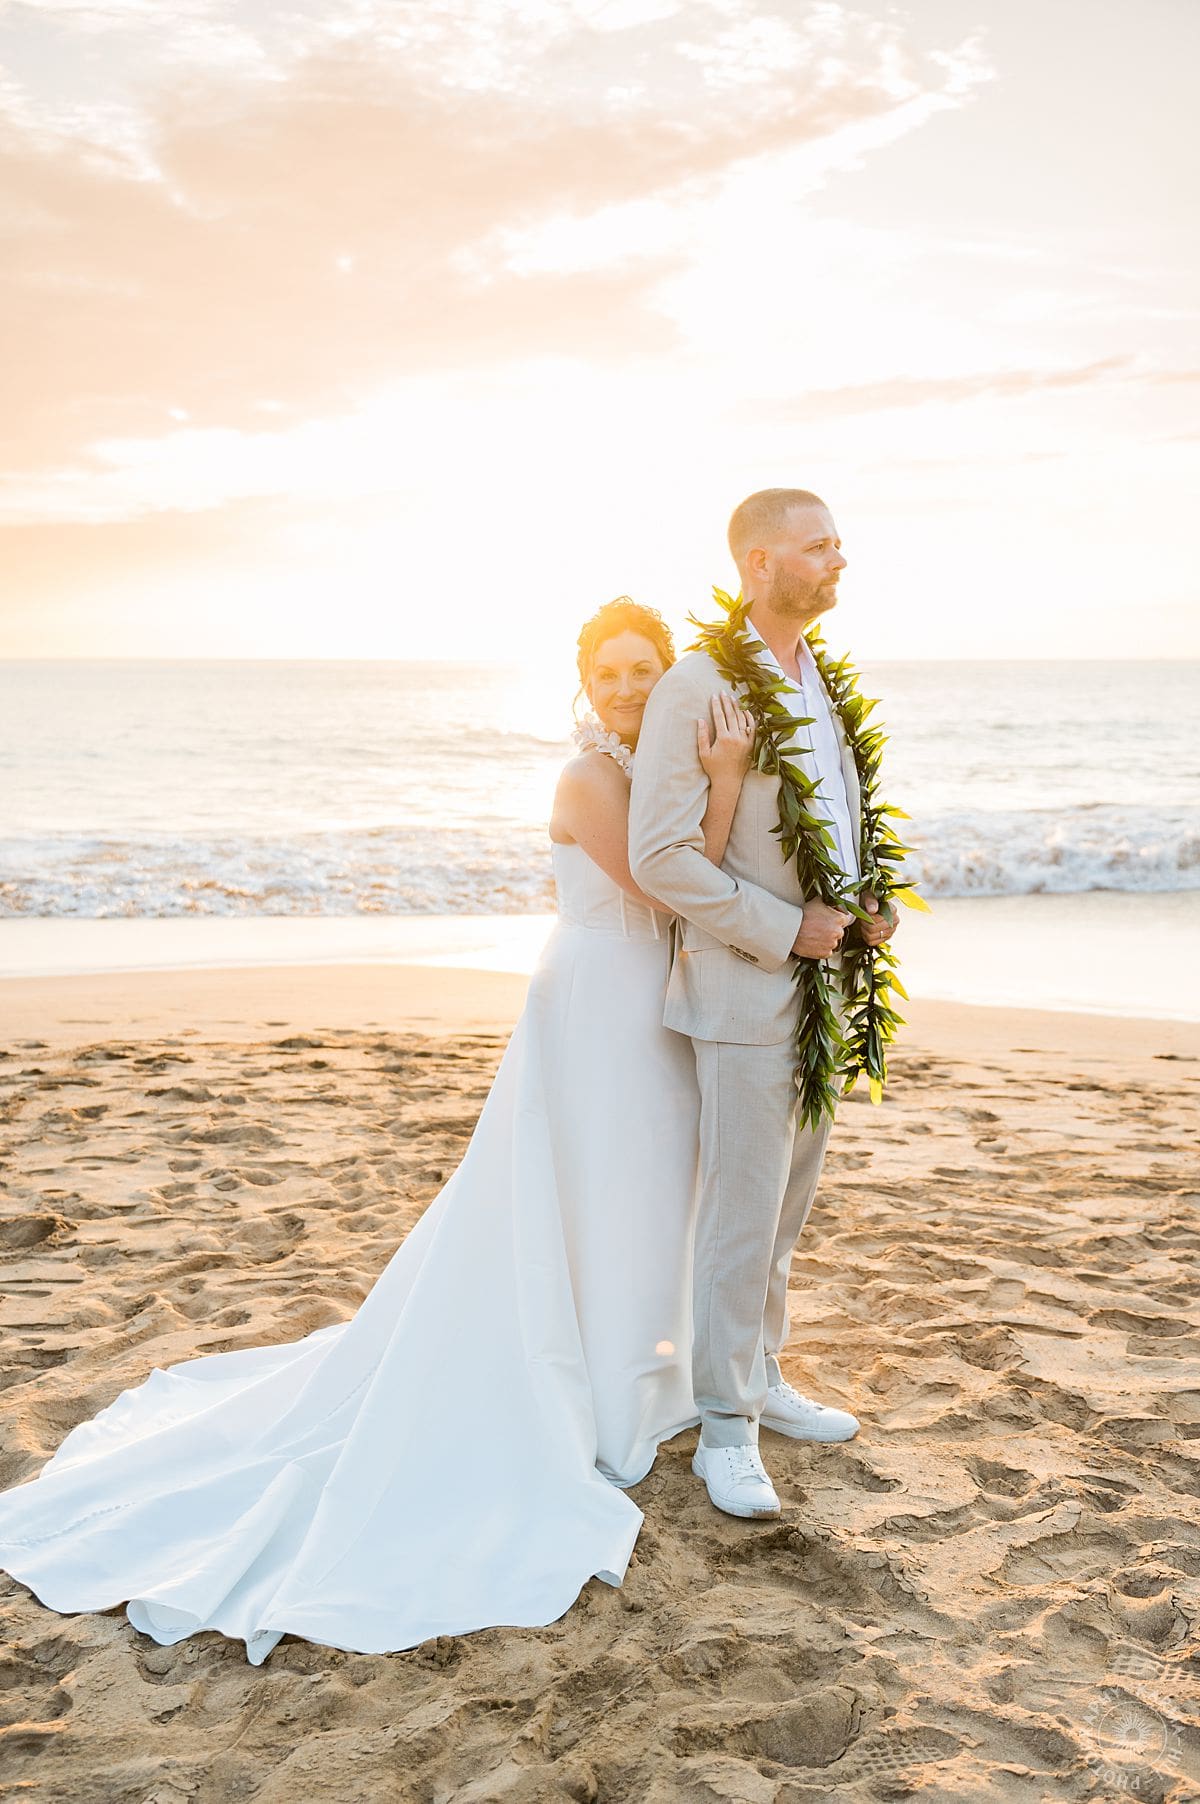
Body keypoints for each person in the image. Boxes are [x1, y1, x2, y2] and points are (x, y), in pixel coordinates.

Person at [0, 598, 756, 1664]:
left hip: (653, 1006)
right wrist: (726, 781)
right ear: (582, 681)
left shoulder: (648, 771)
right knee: (590, 1180)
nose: (626, 687)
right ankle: (591, 1388)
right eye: (608, 671)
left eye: (644, 669)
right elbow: (675, 888)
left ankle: (642, 1370)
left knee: (640, 1188)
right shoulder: (588, 779)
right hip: (594, 998)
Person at [628, 489, 898, 1522]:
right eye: (817, 545)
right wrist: (782, 927)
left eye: (836, 541)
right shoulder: (697, 685)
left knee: (783, 1211)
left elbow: (824, 827)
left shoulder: (819, 679)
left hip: (824, 988)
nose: (839, 558)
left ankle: (763, 1379)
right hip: (743, 990)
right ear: (757, 562)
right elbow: (660, 858)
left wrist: (861, 905)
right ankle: (724, 1428)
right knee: (739, 1219)